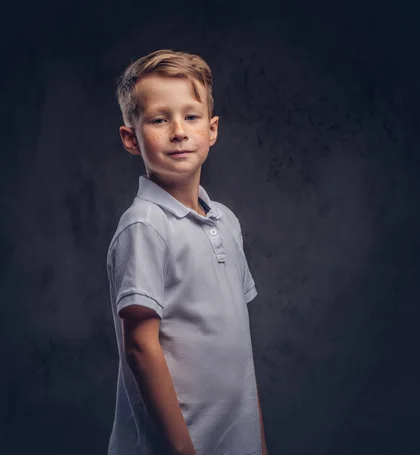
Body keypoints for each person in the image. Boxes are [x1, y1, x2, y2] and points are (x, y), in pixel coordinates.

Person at [106, 49, 268, 455]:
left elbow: (239, 353)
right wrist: (182, 450)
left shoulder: (225, 221)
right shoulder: (145, 226)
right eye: (160, 119)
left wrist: (257, 443)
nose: (179, 131)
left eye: (191, 117)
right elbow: (141, 347)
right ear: (131, 138)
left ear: (212, 130)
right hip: (178, 447)